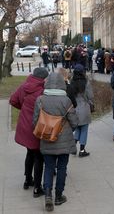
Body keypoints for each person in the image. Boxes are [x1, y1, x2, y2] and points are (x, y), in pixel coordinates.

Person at [33, 73, 78, 212]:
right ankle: (58, 196)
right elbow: (74, 122)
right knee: (62, 168)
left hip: (47, 139)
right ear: (61, 84)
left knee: (48, 167)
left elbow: (35, 121)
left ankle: (47, 195)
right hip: (64, 140)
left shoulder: (40, 100)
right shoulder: (66, 101)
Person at [9, 67, 49, 197]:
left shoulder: (24, 86)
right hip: (37, 127)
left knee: (30, 153)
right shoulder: (42, 90)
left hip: (25, 126)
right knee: (39, 157)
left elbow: (13, 100)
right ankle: (37, 188)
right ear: (43, 78)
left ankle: (27, 180)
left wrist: (24, 109)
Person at [69, 64, 94, 157]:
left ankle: (73, 147)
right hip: (84, 109)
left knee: (78, 128)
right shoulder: (86, 82)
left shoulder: (71, 83)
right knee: (84, 129)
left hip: (75, 109)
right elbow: (90, 96)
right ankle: (82, 150)